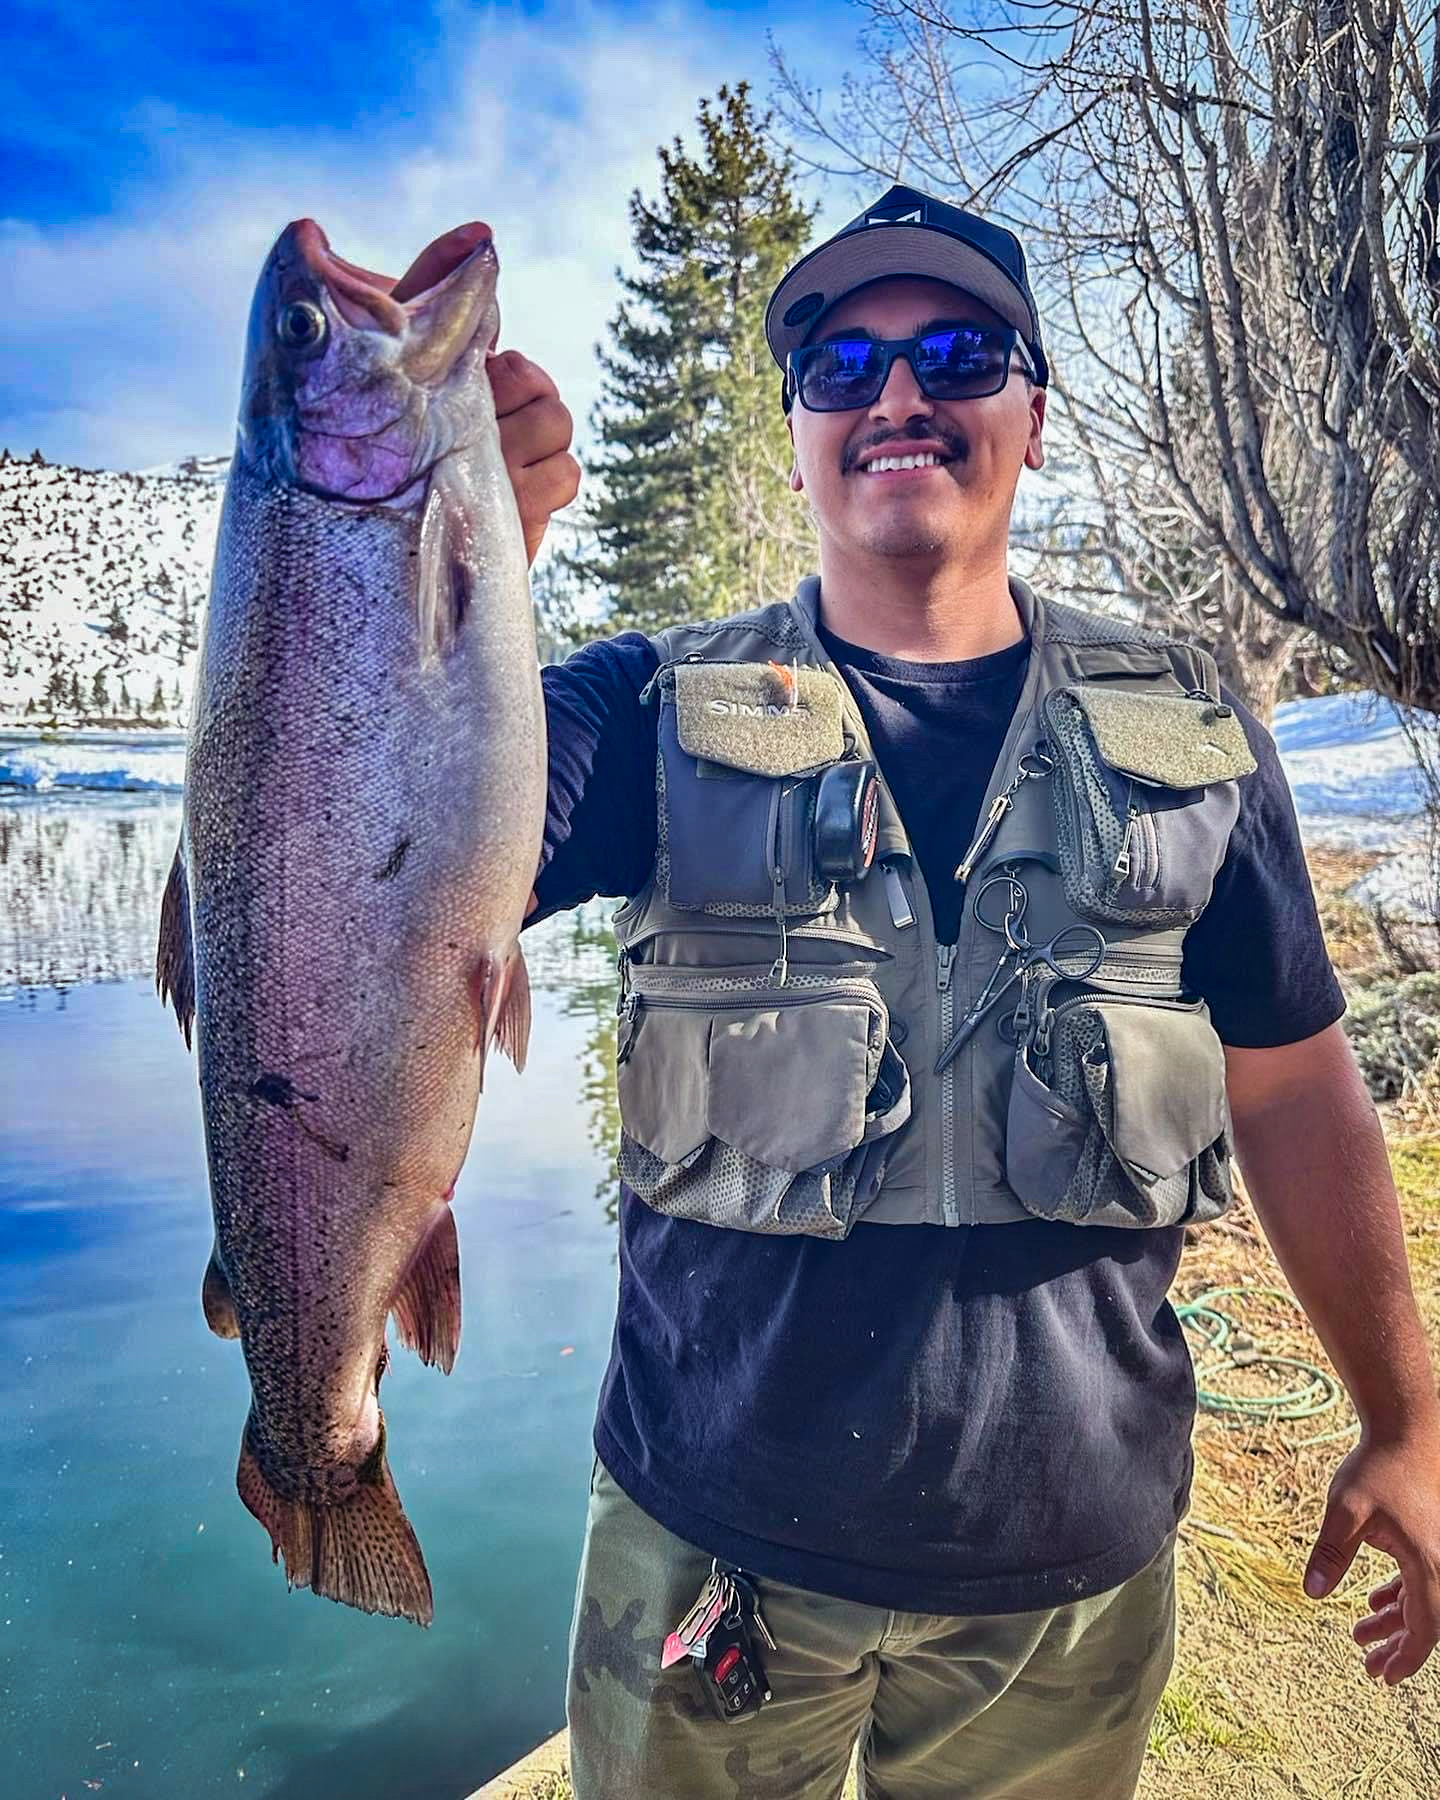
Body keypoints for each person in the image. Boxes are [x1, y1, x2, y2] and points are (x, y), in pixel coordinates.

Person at [488, 184, 1440, 1799]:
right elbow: (384, 854)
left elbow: (1293, 1084)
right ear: (794, 432)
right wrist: (453, 552)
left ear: (1035, 414)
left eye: (956, 351)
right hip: (713, 1545)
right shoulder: (643, 709)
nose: (899, 398)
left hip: (1067, 1587)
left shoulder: (1191, 729)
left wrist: (1404, 1418)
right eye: (842, 369)